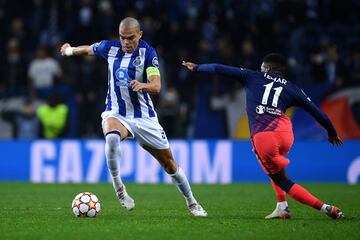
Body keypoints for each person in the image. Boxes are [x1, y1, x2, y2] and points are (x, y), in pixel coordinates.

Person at [60, 17, 207, 217]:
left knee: (170, 164)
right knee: (111, 138)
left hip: (144, 117)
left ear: (139, 35)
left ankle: (192, 202)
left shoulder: (148, 53)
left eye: (130, 38)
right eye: (122, 38)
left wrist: (143, 85)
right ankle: (119, 188)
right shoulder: (109, 48)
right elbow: (87, 50)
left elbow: (156, 86)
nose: (126, 42)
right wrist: (69, 50)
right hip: (116, 112)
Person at [182, 53, 344, 220]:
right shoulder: (291, 87)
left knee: (283, 180)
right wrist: (331, 132)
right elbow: (319, 114)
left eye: (262, 68)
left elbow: (218, 68)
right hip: (286, 134)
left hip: (264, 137)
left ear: (267, 68)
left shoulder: (252, 76)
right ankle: (282, 207)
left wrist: (197, 68)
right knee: (272, 165)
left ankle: (327, 209)